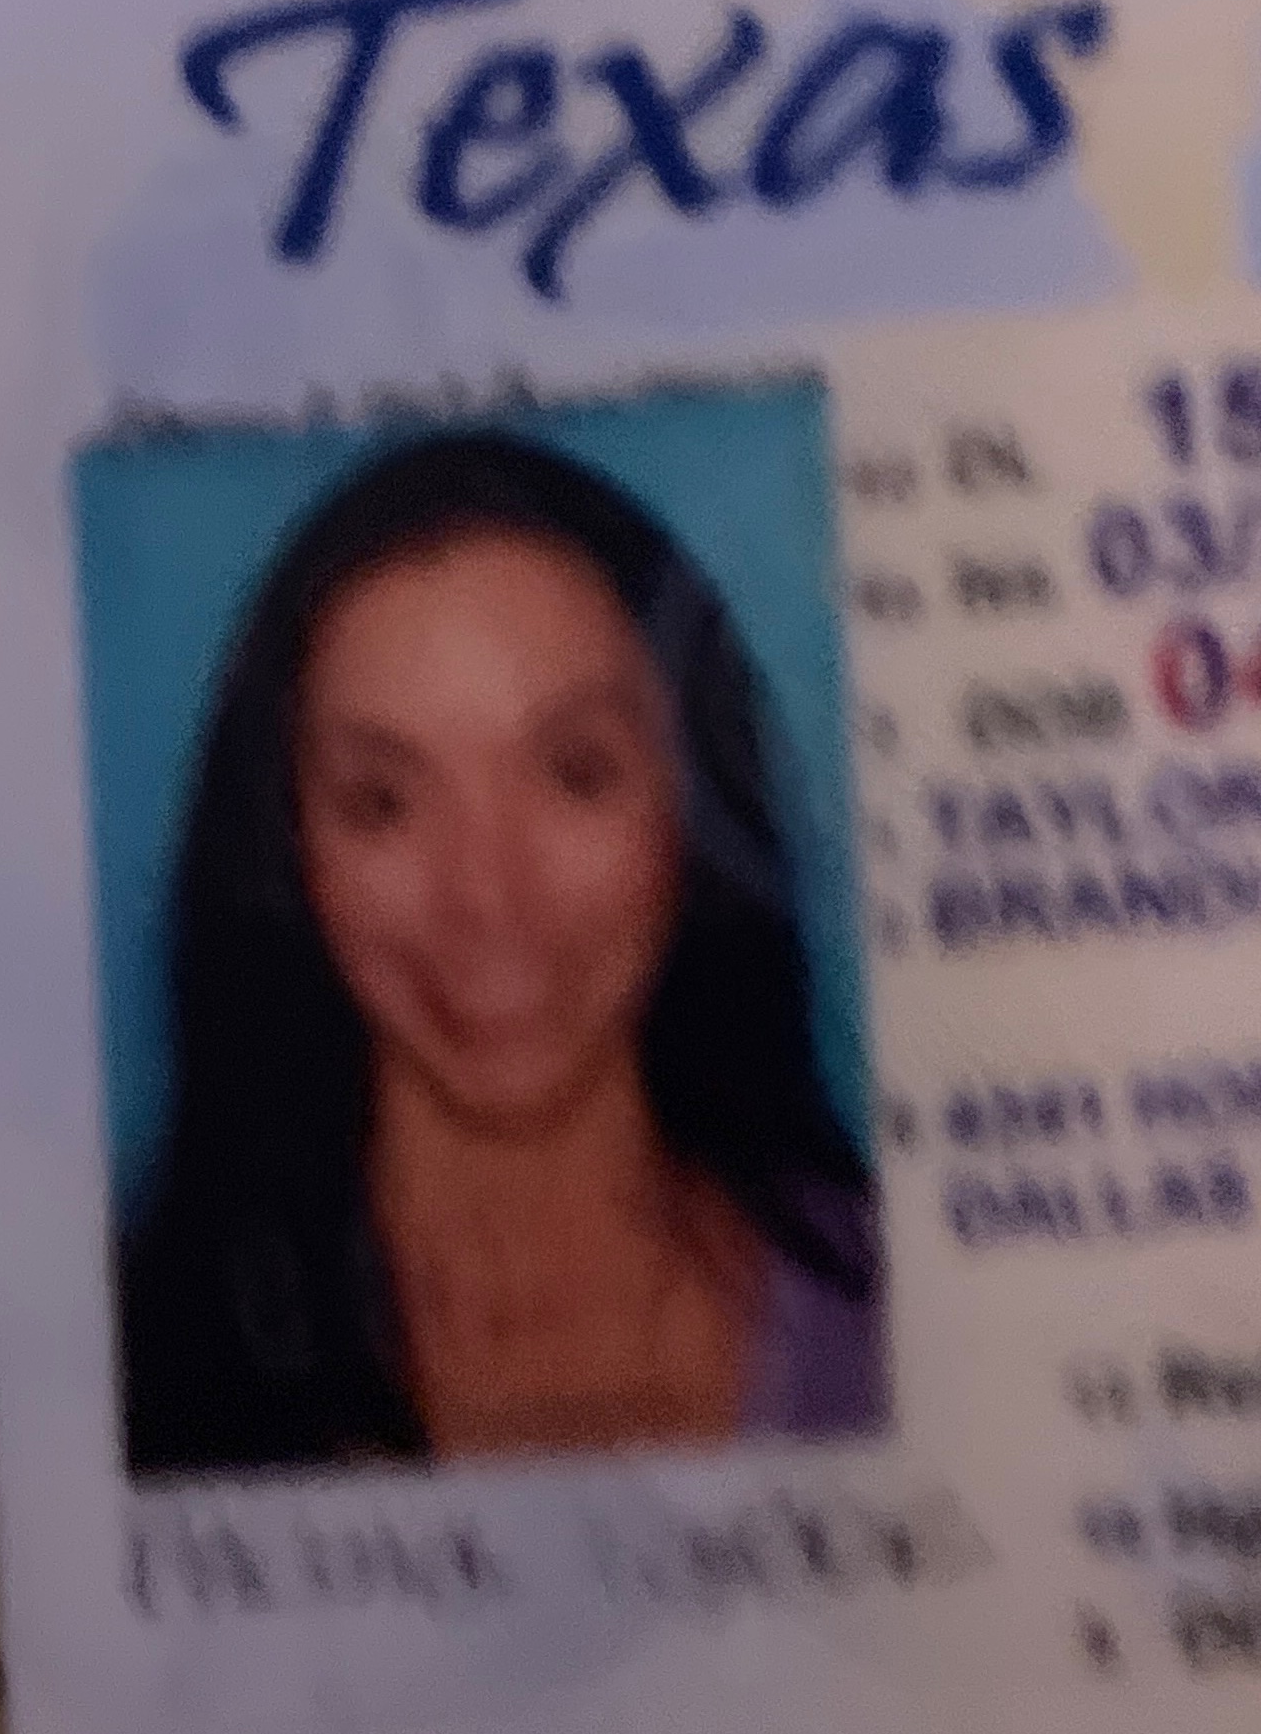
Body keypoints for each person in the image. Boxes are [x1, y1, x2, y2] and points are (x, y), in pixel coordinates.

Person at [118, 427, 884, 1477]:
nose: (485, 898)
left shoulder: (898, 1311)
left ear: (696, 811)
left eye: (575, 773)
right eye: (382, 802)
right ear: (286, 850)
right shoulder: (140, 1372)